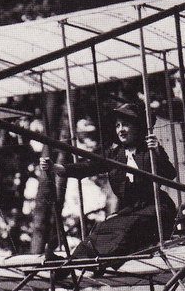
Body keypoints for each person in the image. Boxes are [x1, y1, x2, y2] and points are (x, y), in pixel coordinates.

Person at [39, 102, 177, 263]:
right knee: (102, 228)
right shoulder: (115, 155)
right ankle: (68, 263)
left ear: (138, 127)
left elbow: (169, 174)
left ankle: (99, 261)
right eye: (117, 125)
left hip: (157, 209)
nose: (120, 129)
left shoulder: (150, 150)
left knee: (125, 227)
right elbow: (88, 166)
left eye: (125, 124)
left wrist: (158, 151)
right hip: (131, 211)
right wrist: (55, 167)